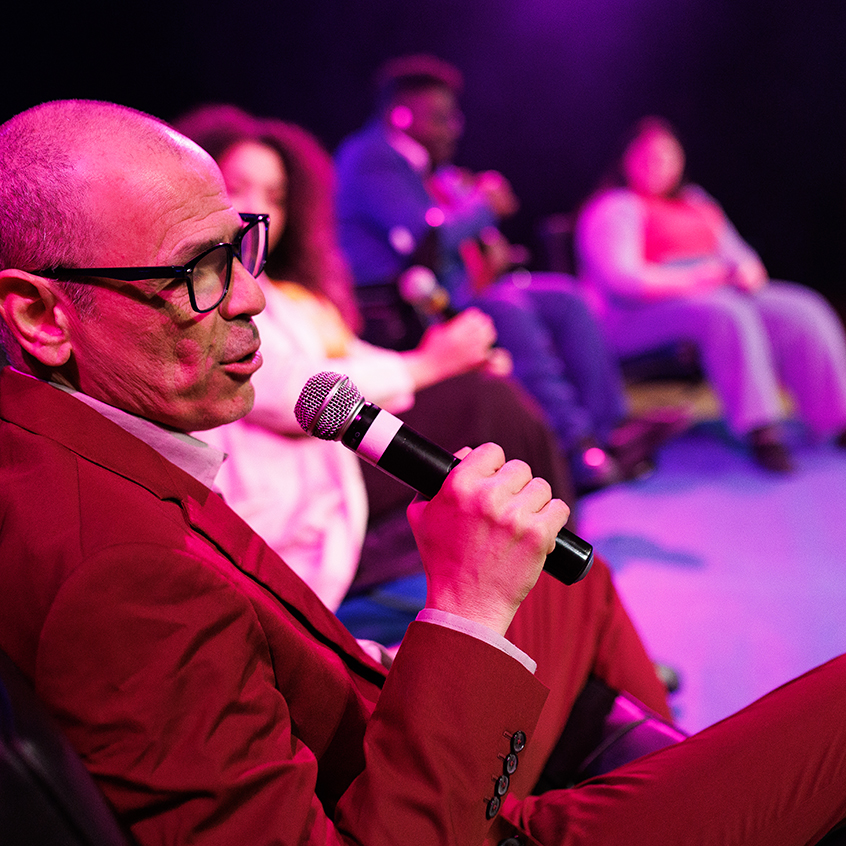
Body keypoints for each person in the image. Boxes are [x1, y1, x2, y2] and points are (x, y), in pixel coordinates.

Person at [1, 99, 846, 846]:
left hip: (382, 744)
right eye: (198, 270)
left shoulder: (72, 452)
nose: (252, 297)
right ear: (42, 315)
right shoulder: (118, 581)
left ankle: (666, 785)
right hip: (422, 808)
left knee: (565, 578)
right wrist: (466, 611)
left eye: (240, 246)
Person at [172, 103, 574, 613]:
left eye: (275, 196)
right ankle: (560, 593)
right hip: (301, 478)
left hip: (331, 449)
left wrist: (448, 363)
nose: (260, 211)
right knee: (488, 404)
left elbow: (351, 357)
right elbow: (289, 390)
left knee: (489, 392)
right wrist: (428, 365)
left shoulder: (282, 291)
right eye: (238, 188)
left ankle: (558, 584)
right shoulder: (206, 285)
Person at [334, 54, 687, 494]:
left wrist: (482, 237)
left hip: (448, 291)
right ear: (401, 115)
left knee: (565, 298)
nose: (454, 127)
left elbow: (445, 237)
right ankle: (573, 449)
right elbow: (426, 239)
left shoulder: (423, 168)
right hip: (402, 309)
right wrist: (483, 207)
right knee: (507, 307)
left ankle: (606, 429)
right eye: (440, 117)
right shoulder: (372, 157)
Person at [575, 116, 846, 472]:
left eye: (667, 156)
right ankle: (762, 430)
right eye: (647, 157)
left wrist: (747, 271)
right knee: (725, 312)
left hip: (714, 295)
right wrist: (695, 279)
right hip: (634, 316)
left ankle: (835, 418)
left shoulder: (695, 202)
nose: (657, 164)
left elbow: (739, 254)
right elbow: (623, 280)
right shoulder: (615, 207)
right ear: (626, 159)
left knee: (800, 308)